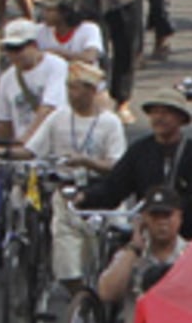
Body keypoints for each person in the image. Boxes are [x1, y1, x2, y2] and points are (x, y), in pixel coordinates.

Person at [19, 61, 127, 295]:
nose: (70, 93)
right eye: (68, 87)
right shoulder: (58, 117)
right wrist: (5, 153)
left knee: (114, 251)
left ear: (91, 90)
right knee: (65, 267)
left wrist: (87, 162)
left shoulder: (110, 123)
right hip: (67, 195)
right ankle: (82, 301)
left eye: (76, 88)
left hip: (102, 193)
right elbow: (32, 150)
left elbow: (117, 165)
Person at [80, 89, 192, 239]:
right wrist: (85, 197)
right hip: (147, 235)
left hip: (186, 236)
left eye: (166, 113)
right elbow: (114, 187)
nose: (159, 118)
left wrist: (170, 210)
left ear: (180, 119)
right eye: (155, 112)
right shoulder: (139, 151)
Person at [93, 185, 186, 314]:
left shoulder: (191, 256)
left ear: (179, 217)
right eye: (155, 216)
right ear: (144, 218)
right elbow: (106, 293)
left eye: (167, 215)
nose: (161, 222)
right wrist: (134, 248)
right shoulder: (127, 255)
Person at [0, 17, 68, 145]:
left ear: (34, 45)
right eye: (9, 49)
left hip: (53, 143)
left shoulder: (56, 66)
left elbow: (49, 108)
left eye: (18, 48)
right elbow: (4, 123)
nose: (13, 55)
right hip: (24, 152)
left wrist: (27, 139)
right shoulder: (6, 79)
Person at [33, 0, 105, 65]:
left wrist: (55, 53)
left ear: (65, 12)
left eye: (49, 10)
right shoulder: (40, 30)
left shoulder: (89, 29)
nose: (44, 14)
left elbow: (89, 57)